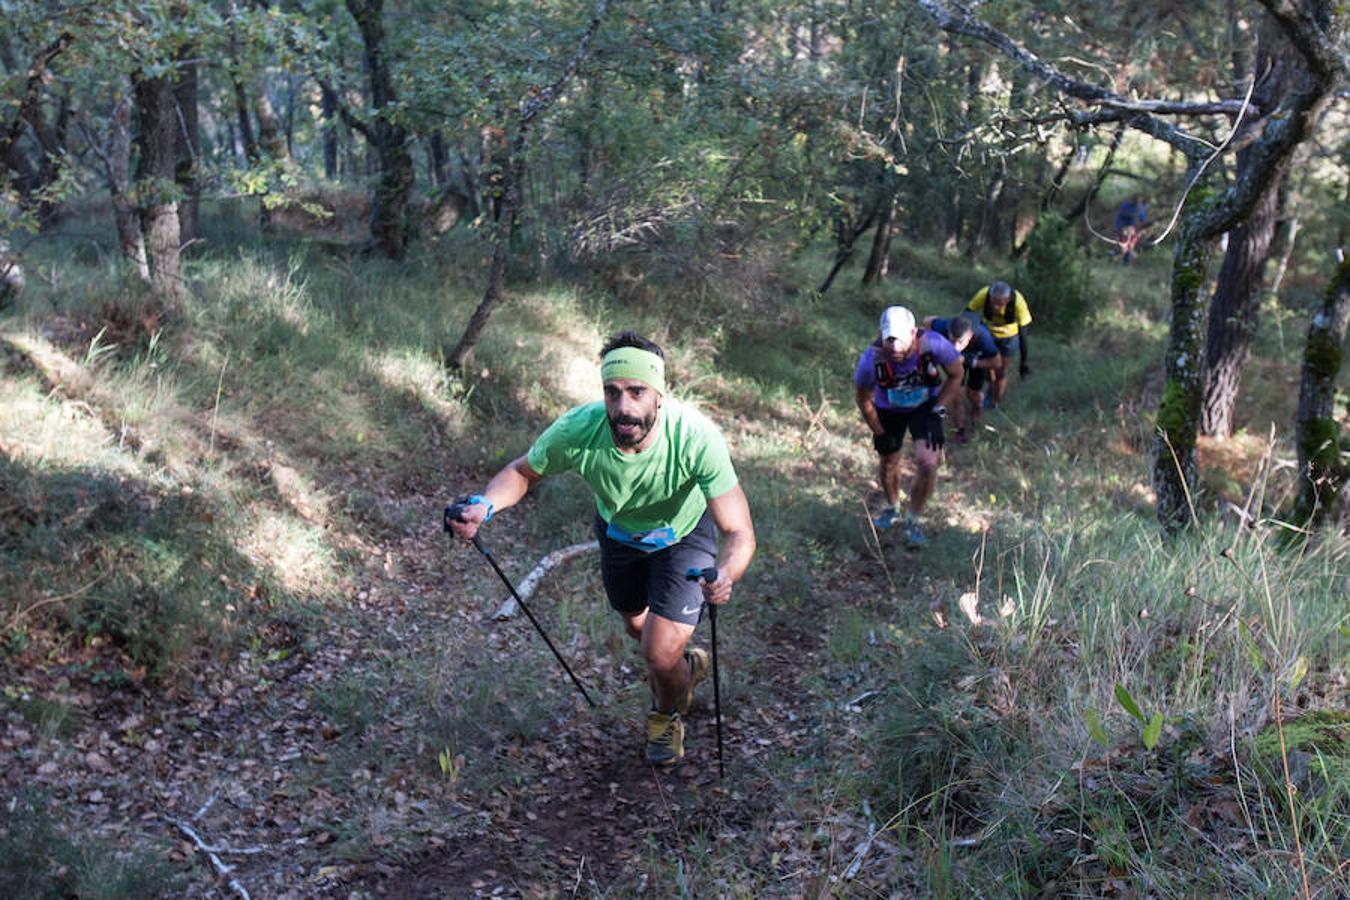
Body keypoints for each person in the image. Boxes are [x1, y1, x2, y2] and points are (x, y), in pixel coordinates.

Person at [446, 332, 756, 768]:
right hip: (619, 538)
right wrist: (484, 505)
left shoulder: (695, 438)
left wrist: (726, 573)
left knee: (656, 652)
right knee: (639, 630)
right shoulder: (579, 429)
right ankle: (685, 670)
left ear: (659, 396)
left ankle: (666, 715)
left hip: (682, 539)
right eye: (612, 392)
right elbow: (522, 471)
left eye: (636, 392)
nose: (623, 406)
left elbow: (739, 531)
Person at [854, 306, 964, 547]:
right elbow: (863, 398)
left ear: (914, 333)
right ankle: (893, 508)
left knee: (928, 463)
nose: (895, 350)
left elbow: (957, 374)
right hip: (888, 410)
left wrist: (940, 406)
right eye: (889, 343)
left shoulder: (935, 345)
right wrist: (878, 430)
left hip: (926, 407)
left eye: (901, 344)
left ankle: (912, 520)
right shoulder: (871, 360)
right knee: (889, 462)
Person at [923, 313, 999, 442]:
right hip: (955, 362)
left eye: (960, 342)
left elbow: (997, 362)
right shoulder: (943, 326)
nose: (955, 347)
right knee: (956, 395)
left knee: (973, 393)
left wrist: (972, 362)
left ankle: (976, 409)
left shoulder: (984, 338)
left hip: (978, 360)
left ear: (969, 336)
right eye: (951, 340)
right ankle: (961, 430)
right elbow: (927, 321)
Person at [966, 281, 1031, 408]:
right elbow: (968, 313)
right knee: (988, 369)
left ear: (1007, 300)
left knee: (1000, 371)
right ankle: (990, 389)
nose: (996, 307)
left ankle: (995, 402)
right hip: (987, 334)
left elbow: (1024, 334)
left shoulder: (1018, 302)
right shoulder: (984, 294)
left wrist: (1024, 362)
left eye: (1000, 304)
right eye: (993, 303)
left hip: (1008, 339)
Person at [1114, 195, 1147, 265]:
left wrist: (1142, 228)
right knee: (1124, 242)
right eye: (1138, 199)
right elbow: (1123, 214)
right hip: (1123, 227)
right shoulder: (1126, 205)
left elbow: (1143, 218)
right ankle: (1118, 254)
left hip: (1132, 228)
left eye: (1140, 199)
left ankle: (1126, 261)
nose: (1139, 201)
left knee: (1131, 244)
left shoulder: (1140, 207)